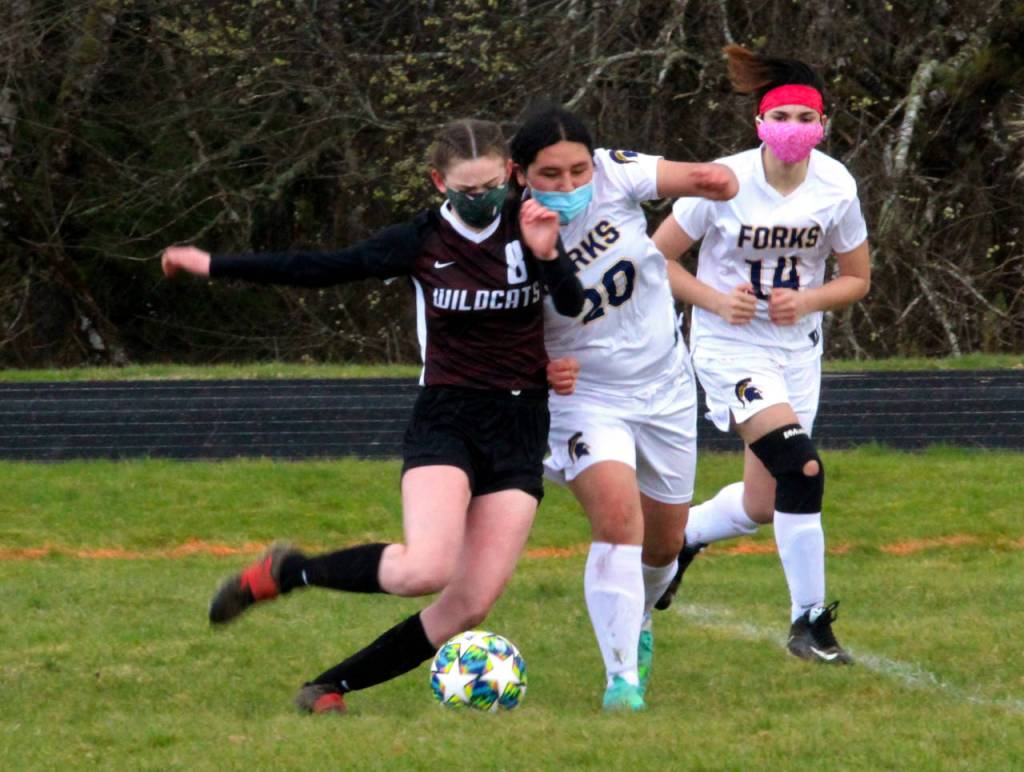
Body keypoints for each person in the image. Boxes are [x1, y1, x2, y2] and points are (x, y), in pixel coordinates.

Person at [161, 118, 585, 714]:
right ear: (440, 183)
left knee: (468, 606)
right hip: (449, 416)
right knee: (426, 569)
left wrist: (548, 256)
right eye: (465, 190)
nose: (480, 198)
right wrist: (215, 265)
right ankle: (291, 573)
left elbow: (572, 304)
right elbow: (319, 267)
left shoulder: (534, 224)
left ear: (510, 175)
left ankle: (330, 686)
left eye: (491, 184)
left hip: (520, 425)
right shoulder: (417, 241)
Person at [508, 106, 739, 710]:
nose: (567, 186)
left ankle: (637, 619)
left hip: (663, 384)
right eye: (549, 175)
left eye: (578, 171)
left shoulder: (617, 174)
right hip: (584, 396)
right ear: (520, 175)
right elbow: (491, 330)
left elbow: (720, 183)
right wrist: (539, 366)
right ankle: (621, 681)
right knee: (617, 521)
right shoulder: (510, 236)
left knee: (663, 546)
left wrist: (708, 181)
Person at [651, 45, 871, 664]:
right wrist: (718, 301)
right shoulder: (724, 179)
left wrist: (807, 302)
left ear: (823, 126)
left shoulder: (836, 186)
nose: (795, 130)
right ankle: (810, 626)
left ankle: (686, 536)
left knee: (761, 503)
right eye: (784, 117)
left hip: (797, 349)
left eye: (808, 118)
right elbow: (655, 257)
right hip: (729, 346)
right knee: (802, 467)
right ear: (760, 124)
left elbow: (856, 278)